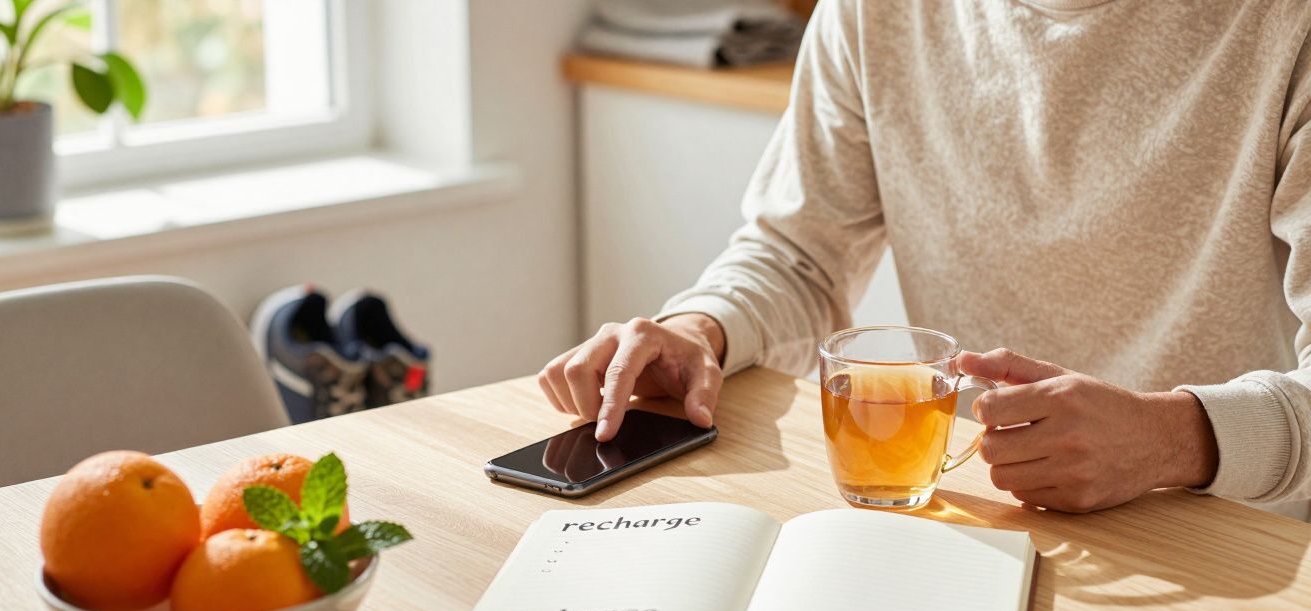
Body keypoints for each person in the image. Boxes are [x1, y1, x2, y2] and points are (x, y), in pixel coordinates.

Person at [540, 0, 1311, 520]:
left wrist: (1174, 437)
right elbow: (798, 255)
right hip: (980, 515)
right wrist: (701, 328)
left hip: (1233, 543)